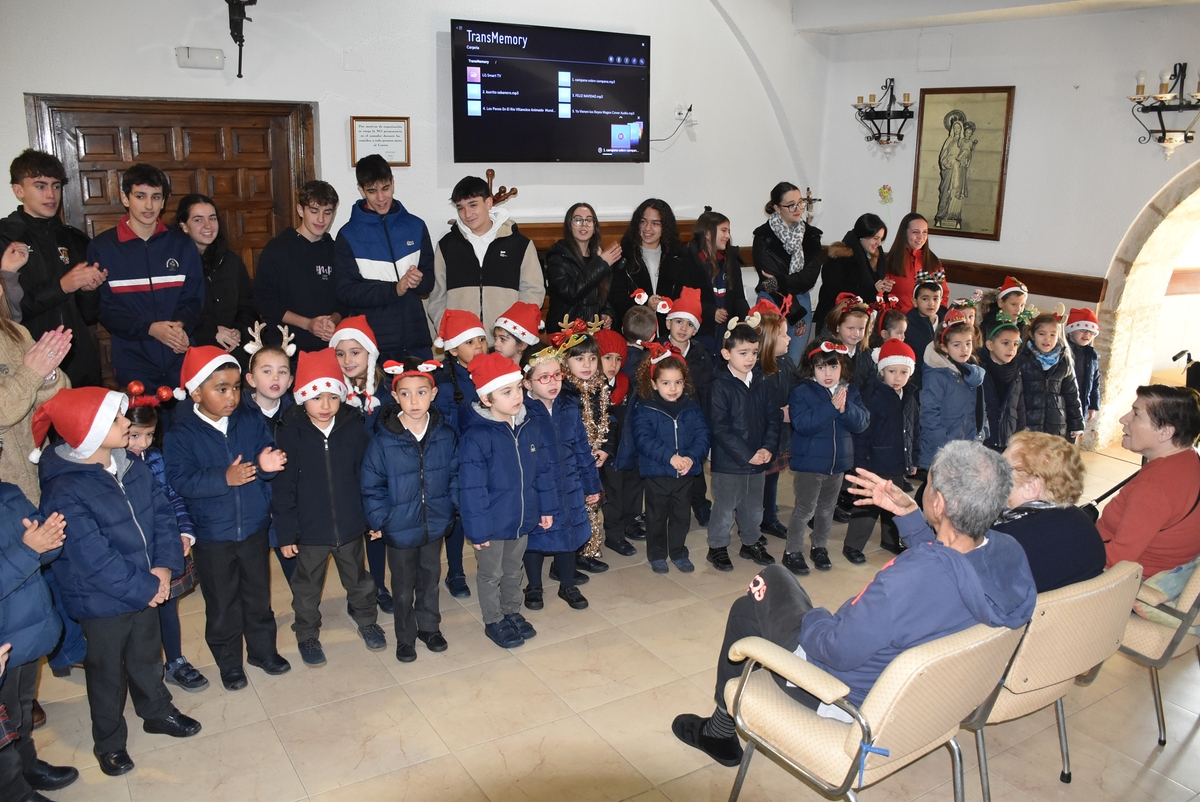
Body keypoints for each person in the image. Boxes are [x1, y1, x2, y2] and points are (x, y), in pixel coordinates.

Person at [672, 440, 1036, 768]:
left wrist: (817, 618)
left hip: (845, 698)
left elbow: (834, 650)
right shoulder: (1009, 555)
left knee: (765, 586)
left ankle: (719, 731)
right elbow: (954, 565)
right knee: (768, 597)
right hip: (927, 703)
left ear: (938, 503)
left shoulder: (908, 582)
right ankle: (721, 726)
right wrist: (910, 517)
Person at [35, 387, 201, 777]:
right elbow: (92, 559)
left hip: (146, 584)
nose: (128, 423)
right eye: (116, 420)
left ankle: (156, 711)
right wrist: (147, 587)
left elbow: (161, 513)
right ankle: (108, 741)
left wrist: (162, 568)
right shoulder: (65, 488)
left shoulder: (130, 464)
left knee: (147, 656)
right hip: (103, 601)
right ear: (87, 432)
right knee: (106, 671)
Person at [164, 346, 291, 692]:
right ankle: (229, 662)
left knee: (258, 595)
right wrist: (224, 478)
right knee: (222, 603)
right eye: (221, 388)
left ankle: (262, 652)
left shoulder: (250, 420)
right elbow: (180, 479)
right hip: (212, 534)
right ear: (195, 392)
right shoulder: (180, 433)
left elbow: (264, 455)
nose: (231, 396)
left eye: (235, 387)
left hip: (252, 526)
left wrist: (266, 468)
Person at [272, 349, 385, 667]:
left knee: (359, 580)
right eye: (316, 398)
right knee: (306, 587)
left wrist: (372, 518)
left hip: (350, 526)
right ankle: (306, 633)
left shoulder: (353, 428)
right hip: (309, 531)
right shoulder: (289, 432)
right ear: (301, 398)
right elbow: (283, 487)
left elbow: (367, 476)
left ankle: (366, 620)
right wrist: (286, 532)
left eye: (332, 398)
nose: (325, 406)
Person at [361, 357, 459, 663]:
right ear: (395, 396)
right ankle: (405, 637)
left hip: (435, 524)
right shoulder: (383, 441)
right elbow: (371, 485)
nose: (414, 400)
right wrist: (381, 519)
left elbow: (456, 474)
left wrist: (452, 507)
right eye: (405, 393)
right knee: (402, 587)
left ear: (433, 394)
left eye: (421, 392)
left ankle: (429, 627)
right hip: (399, 527)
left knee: (430, 580)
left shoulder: (445, 435)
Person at [458, 352, 554, 649]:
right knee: (491, 573)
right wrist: (477, 531)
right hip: (491, 525)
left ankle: (512, 610)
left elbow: (544, 472)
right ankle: (494, 619)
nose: (518, 396)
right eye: (507, 391)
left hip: (522, 518)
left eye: (518, 388)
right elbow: (471, 489)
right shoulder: (476, 437)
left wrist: (546, 508)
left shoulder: (529, 427)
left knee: (514, 568)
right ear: (487, 399)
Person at [124, 389, 208, 692]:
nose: (141, 444)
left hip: (161, 547)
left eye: (148, 435)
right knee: (137, 618)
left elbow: (172, 496)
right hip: (132, 553)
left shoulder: (155, 457)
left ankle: (175, 661)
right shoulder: (110, 463)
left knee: (167, 609)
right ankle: (140, 670)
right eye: (133, 435)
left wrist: (184, 531)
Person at [93, 163, 204, 388]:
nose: (148, 205)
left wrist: (180, 326)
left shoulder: (182, 243)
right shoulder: (102, 247)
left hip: (179, 356)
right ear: (126, 199)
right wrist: (150, 329)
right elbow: (105, 307)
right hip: (134, 361)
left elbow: (194, 297)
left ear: (163, 202)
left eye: (156, 197)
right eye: (140, 196)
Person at [1, 149, 104, 387]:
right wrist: (62, 286)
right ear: (19, 191)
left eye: (56, 186)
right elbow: (9, 314)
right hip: (27, 364)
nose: (51, 195)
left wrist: (89, 289)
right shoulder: (5, 239)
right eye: (40, 186)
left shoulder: (73, 238)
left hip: (78, 361)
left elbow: (89, 316)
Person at [0, 481, 76, 800]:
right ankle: (14, 791)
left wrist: (50, 540)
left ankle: (27, 765)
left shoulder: (9, 494)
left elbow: (43, 549)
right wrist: (30, 549)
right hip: (4, 640)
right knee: (5, 726)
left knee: (21, 708)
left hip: (30, 629)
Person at [522, 343, 600, 611]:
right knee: (535, 539)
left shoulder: (568, 407)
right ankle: (533, 585)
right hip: (538, 489)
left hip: (570, 485)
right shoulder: (522, 414)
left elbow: (581, 448)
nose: (552, 382)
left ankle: (567, 584)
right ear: (527, 382)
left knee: (568, 536)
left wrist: (592, 484)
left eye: (557, 375)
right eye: (544, 377)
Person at [335, 155, 434, 361]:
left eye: (385, 188)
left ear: (393, 183)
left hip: (417, 340)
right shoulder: (348, 235)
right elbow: (346, 292)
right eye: (372, 191)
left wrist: (418, 281)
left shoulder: (416, 226)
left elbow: (428, 284)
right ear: (361, 190)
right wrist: (394, 289)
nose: (380, 198)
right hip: (373, 345)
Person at [784, 339, 870, 574]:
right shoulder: (802, 391)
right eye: (821, 367)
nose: (828, 373)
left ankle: (819, 546)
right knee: (805, 509)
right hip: (809, 464)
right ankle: (792, 550)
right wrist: (832, 408)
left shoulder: (849, 391)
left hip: (838, 463)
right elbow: (802, 424)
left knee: (826, 509)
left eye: (833, 367)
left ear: (843, 368)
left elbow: (862, 423)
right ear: (811, 368)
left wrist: (845, 409)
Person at [427, 176, 542, 345]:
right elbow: (437, 297)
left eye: (473, 205)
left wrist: (513, 332)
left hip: (507, 346)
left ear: (488, 203)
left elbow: (533, 291)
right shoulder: (446, 246)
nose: (467, 214)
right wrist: (450, 330)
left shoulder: (519, 244)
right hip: (462, 346)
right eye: (460, 208)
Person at [1099, 385, 1200, 577]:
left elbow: (1117, 559)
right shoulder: (1190, 460)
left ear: (1166, 432)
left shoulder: (1154, 487)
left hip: (1127, 581)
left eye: (1136, 414)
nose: (1124, 419)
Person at [704, 321, 779, 572]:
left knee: (753, 507)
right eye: (743, 353)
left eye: (754, 353)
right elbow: (720, 427)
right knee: (724, 507)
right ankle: (717, 547)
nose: (750, 359)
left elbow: (773, 417)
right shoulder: (719, 385)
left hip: (759, 459)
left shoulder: (762, 381)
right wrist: (747, 455)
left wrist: (768, 447)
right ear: (727, 353)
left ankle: (750, 541)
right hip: (730, 462)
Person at [631, 342, 710, 574]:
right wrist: (670, 457)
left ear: (684, 383)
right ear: (654, 384)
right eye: (666, 383)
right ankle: (657, 554)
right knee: (656, 517)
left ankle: (678, 551)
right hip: (658, 474)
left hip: (685, 474)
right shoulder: (646, 408)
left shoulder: (692, 407)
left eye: (678, 382)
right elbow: (643, 440)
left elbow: (703, 435)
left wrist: (692, 458)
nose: (672, 388)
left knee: (681, 516)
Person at [996, 431, 1105, 592]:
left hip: (1034, 616)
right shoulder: (1083, 522)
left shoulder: (1005, 542)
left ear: (1030, 486)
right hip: (1084, 613)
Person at [430, 309, 488, 599]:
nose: (478, 346)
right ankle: (455, 572)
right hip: (455, 462)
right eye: (470, 342)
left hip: (486, 460)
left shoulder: (492, 371)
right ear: (453, 349)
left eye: (481, 339)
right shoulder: (441, 382)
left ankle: (488, 567)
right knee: (455, 518)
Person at [846, 339, 918, 558]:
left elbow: (914, 428)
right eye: (892, 371)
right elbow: (863, 433)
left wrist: (912, 458)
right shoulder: (873, 396)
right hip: (874, 461)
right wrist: (862, 463)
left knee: (894, 502)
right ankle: (853, 545)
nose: (898, 377)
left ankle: (890, 539)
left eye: (904, 372)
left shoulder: (909, 396)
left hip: (897, 459)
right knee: (868, 506)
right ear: (882, 370)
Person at [253, 180, 343, 353]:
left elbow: (344, 300)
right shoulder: (277, 248)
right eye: (314, 211)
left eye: (327, 212)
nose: (321, 219)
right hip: (284, 349)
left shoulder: (335, 250)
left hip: (328, 349)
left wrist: (332, 321)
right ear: (300, 210)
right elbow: (263, 300)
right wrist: (307, 324)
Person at [0, 285, 68, 503]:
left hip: (36, 471)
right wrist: (32, 373)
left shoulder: (14, 332)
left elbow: (59, 399)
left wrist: (48, 375)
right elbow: (4, 414)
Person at [174, 193, 256, 370]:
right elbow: (173, 311)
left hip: (234, 352)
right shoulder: (174, 265)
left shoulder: (232, 261)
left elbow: (248, 306)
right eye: (198, 220)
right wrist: (213, 333)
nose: (208, 226)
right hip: (193, 354)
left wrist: (238, 332)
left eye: (212, 218)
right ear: (184, 226)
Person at [240, 327, 297, 579]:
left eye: (282, 372)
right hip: (254, 504)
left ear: (291, 380)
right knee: (255, 571)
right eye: (267, 371)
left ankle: (303, 609)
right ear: (251, 379)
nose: (276, 377)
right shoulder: (239, 417)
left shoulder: (296, 414)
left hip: (288, 502)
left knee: (295, 561)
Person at [559, 329, 614, 574]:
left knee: (592, 505)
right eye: (579, 358)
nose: (587, 364)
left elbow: (609, 420)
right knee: (572, 509)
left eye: (592, 358)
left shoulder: (599, 386)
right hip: (571, 461)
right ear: (565, 361)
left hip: (594, 458)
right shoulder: (563, 390)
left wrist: (605, 449)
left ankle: (587, 551)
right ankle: (567, 560)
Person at [919, 310, 985, 474]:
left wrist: (982, 433)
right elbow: (928, 415)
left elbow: (981, 407)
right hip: (942, 449)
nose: (964, 349)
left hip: (968, 447)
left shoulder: (972, 372)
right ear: (944, 347)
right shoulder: (936, 374)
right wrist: (948, 444)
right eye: (957, 345)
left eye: (968, 343)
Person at [752, 182, 822, 331]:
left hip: (802, 299)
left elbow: (809, 277)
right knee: (768, 353)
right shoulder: (763, 236)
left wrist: (779, 281)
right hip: (772, 300)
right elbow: (769, 279)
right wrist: (795, 314)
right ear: (777, 208)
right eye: (791, 205)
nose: (798, 209)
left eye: (800, 202)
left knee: (796, 355)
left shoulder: (812, 235)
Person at [606, 199, 687, 329]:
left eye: (655, 223)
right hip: (635, 332)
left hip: (671, 334)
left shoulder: (678, 257)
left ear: (665, 227)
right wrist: (644, 306)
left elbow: (684, 297)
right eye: (643, 222)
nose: (647, 228)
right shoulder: (624, 256)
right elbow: (616, 298)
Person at [754, 302, 796, 541]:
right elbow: (756, 408)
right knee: (757, 481)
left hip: (781, 435)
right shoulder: (758, 370)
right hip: (762, 436)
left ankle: (768, 518)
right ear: (768, 339)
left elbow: (796, 389)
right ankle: (752, 520)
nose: (788, 339)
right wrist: (781, 414)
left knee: (772, 478)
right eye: (783, 335)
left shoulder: (787, 363)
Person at [595, 328, 639, 556]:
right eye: (607, 357)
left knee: (629, 490)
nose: (613, 364)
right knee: (612, 497)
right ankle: (614, 535)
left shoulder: (627, 386)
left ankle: (629, 523)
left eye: (618, 358)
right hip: (604, 452)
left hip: (626, 448)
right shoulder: (591, 388)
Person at [682, 208, 750, 353]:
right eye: (723, 230)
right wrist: (710, 312)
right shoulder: (689, 262)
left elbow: (738, 297)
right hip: (701, 334)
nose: (727, 236)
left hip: (727, 335)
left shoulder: (731, 262)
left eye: (729, 231)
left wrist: (746, 319)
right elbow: (685, 299)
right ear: (708, 233)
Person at [544, 203, 621, 331]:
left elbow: (605, 295)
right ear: (569, 225)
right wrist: (601, 264)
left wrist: (607, 313)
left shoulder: (599, 256)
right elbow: (571, 292)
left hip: (593, 331)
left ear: (594, 226)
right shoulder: (557, 255)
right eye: (578, 220)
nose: (584, 224)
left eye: (589, 220)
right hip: (566, 332)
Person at [812, 214, 887, 330]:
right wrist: (873, 290)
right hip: (837, 322)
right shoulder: (840, 257)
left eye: (881, 239)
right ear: (862, 236)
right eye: (875, 238)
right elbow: (837, 292)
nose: (879, 243)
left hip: (861, 321)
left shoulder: (876, 257)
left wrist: (884, 288)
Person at [1018, 312, 1084, 441]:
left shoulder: (1064, 361)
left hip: (1055, 426)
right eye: (1042, 334)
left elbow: (1072, 396)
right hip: (1027, 425)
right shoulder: (1021, 359)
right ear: (1032, 334)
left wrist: (1076, 424)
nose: (1047, 339)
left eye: (1052, 335)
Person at [882, 213, 947, 314]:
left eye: (925, 232)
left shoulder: (933, 261)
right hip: (899, 322)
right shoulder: (890, 261)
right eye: (915, 232)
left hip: (927, 322)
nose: (921, 237)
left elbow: (944, 295)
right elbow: (882, 297)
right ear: (904, 233)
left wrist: (937, 319)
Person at [980, 320, 1025, 451]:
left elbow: (1020, 407)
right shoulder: (980, 372)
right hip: (984, 441)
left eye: (1016, 344)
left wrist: (1021, 438)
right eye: (1005, 343)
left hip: (1007, 441)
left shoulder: (1016, 373)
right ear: (990, 345)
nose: (1012, 348)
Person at [905, 275, 945, 390]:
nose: (931, 303)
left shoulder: (947, 322)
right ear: (915, 301)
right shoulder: (908, 325)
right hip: (919, 380)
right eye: (925, 299)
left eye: (935, 299)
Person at [1065, 308, 1101, 425]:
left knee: (1074, 434)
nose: (1087, 334)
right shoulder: (1063, 352)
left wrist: (1092, 405)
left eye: (1091, 332)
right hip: (1063, 404)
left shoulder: (1091, 355)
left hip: (1082, 403)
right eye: (1083, 330)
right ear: (1071, 331)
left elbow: (1095, 382)